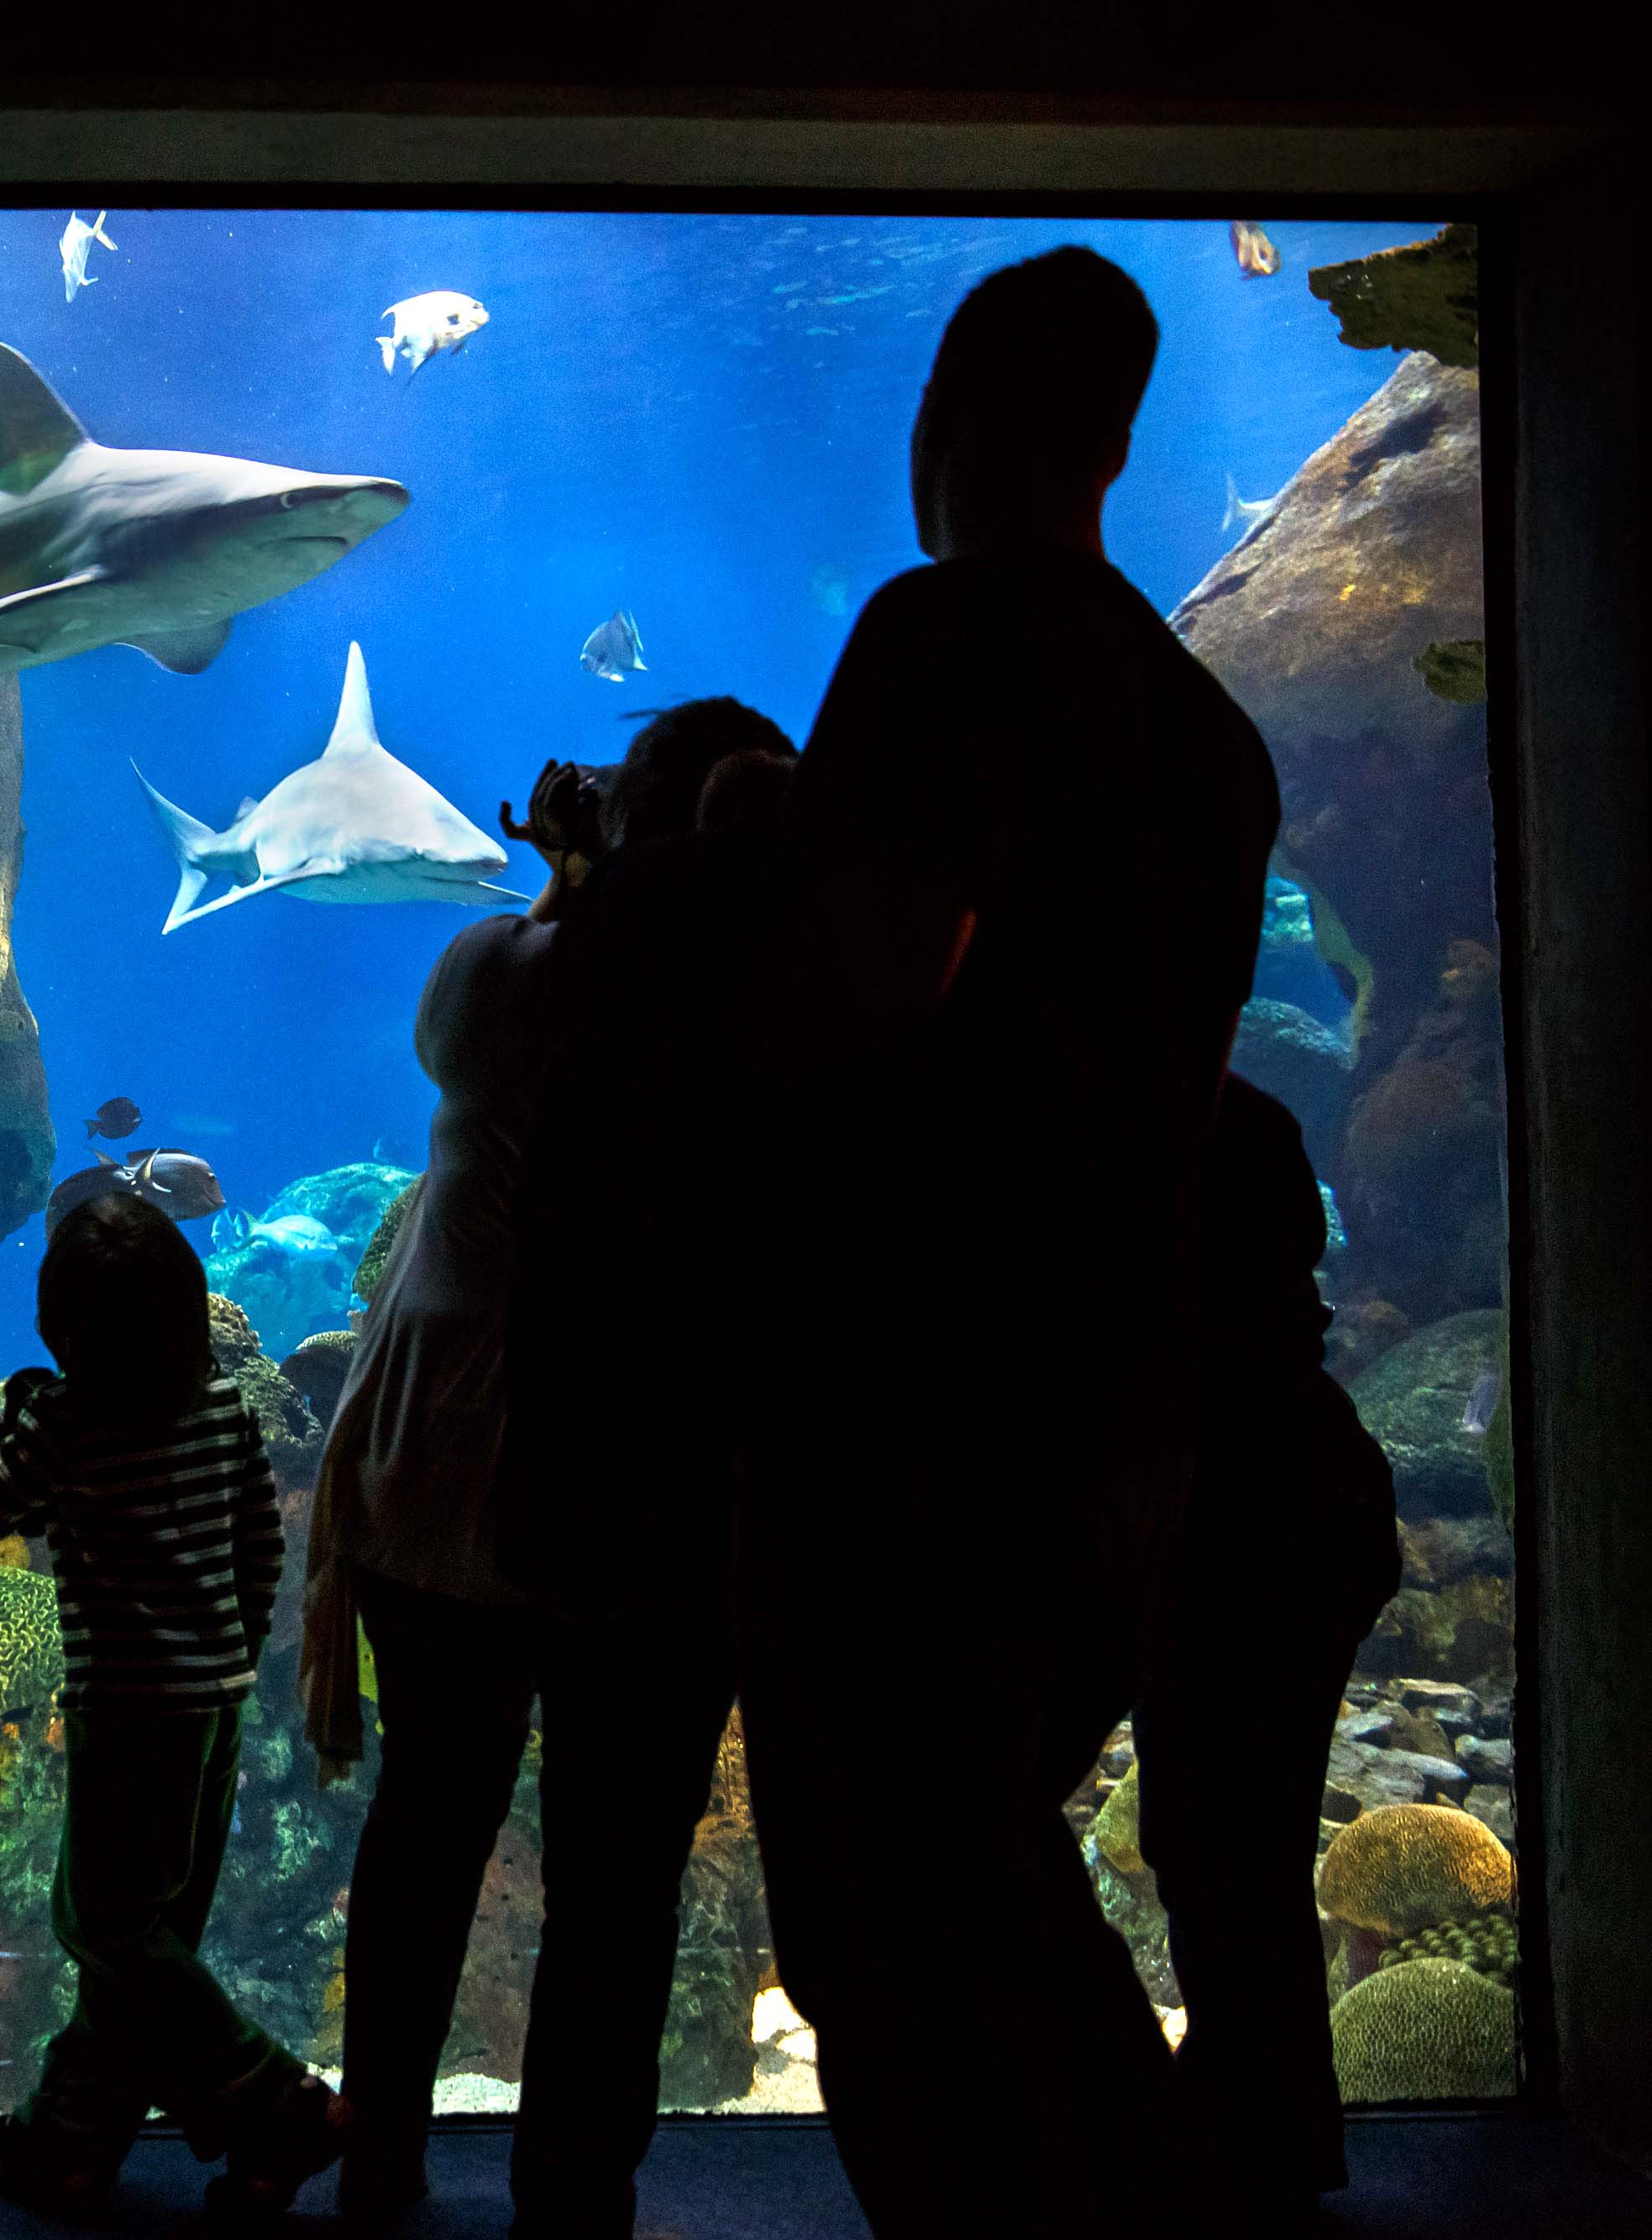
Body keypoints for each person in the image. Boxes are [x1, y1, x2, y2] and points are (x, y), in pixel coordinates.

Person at [734, 247, 1282, 2237]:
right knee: (980, 1869)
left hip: (911, 1407)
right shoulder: (1207, 734)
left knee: (887, 1929)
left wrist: (717, 872)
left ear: (942, 425)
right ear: (1119, 445)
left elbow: (847, 1001)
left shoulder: (941, 636)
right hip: (1121, 1410)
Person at [297, 699, 797, 2232]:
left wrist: (574, 881)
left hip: (452, 1453)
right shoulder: (785, 1004)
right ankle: (577, 2191)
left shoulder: (515, 973)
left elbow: (456, 1022)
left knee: (429, 1817)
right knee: (617, 1869)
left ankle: (381, 2153)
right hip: (662, 1480)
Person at [0, 1191, 334, 2220]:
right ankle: (65, 2146)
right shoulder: (224, 1413)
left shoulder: (68, 1425)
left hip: (126, 1717)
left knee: (105, 1926)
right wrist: (234, 1652)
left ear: (63, 1333)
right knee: (147, 1945)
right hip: (215, 1708)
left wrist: (19, 1420)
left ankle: (277, 2100)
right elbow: (261, 1547)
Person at [1139, 1076, 1400, 2232]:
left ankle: (1258, 2144)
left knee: (1219, 1845)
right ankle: (1268, 2136)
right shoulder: (1238, 1114)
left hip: (1248, 1518)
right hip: (1306, 1497)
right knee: (1238, 1848)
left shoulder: (1163, 1124)